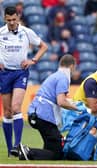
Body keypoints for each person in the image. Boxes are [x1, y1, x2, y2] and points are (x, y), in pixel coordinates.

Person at [0, 6, 48, 157]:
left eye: (14, 19)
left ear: (18, 17)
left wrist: (33, 60)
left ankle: (17, 145)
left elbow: (43, 46)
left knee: (15, 107)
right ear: (4, 19)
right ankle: (9, 150)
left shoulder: (26, 32)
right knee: (7, 112)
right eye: (9, 20)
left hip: (21, 73)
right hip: (4, 74)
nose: (12, 22)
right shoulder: (1, 32)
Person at [18, 54, 85, 160]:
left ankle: (34, 154)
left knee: (52, 147)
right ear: (72, 66)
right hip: (44, 116)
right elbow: (61, 101)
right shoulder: (63, 78)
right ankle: (29, 152)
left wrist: (72, 103)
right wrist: (77, 109)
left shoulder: (56, 75)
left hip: (37, 114)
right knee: (57, 153)